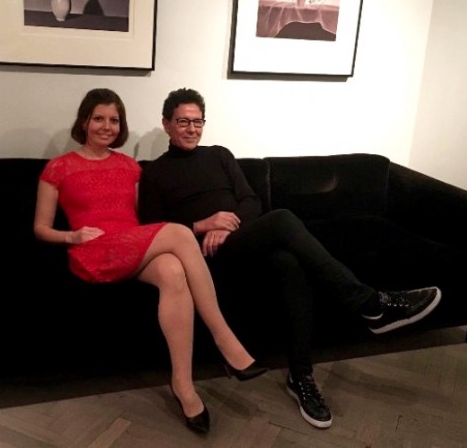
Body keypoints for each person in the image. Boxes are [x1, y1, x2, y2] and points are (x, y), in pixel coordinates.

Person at [137, 87, 442, 430]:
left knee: (290, 264)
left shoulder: (219, 155)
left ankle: (301, 375)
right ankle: (370, 304)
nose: (192, 129)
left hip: (239, 240)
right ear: (167, 123)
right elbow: (151, 228)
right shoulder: (155, 173)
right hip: (202, 258)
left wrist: (227, 225)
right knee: (282, 219)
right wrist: (202, 226)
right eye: (183, 122)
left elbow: (251, 201)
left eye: (198, 121)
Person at [33, 88, 267, 435]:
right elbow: (40, 229)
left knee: (173, 270)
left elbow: (144, 219)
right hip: (94, 249)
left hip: (133, 246)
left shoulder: (130, 167)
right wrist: (72, 236)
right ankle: (224, 338)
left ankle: (183, 385)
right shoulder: (58, 168)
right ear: (84, 122)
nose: (107, 126)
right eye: (99, 119)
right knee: (180, 234)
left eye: (114, 120)